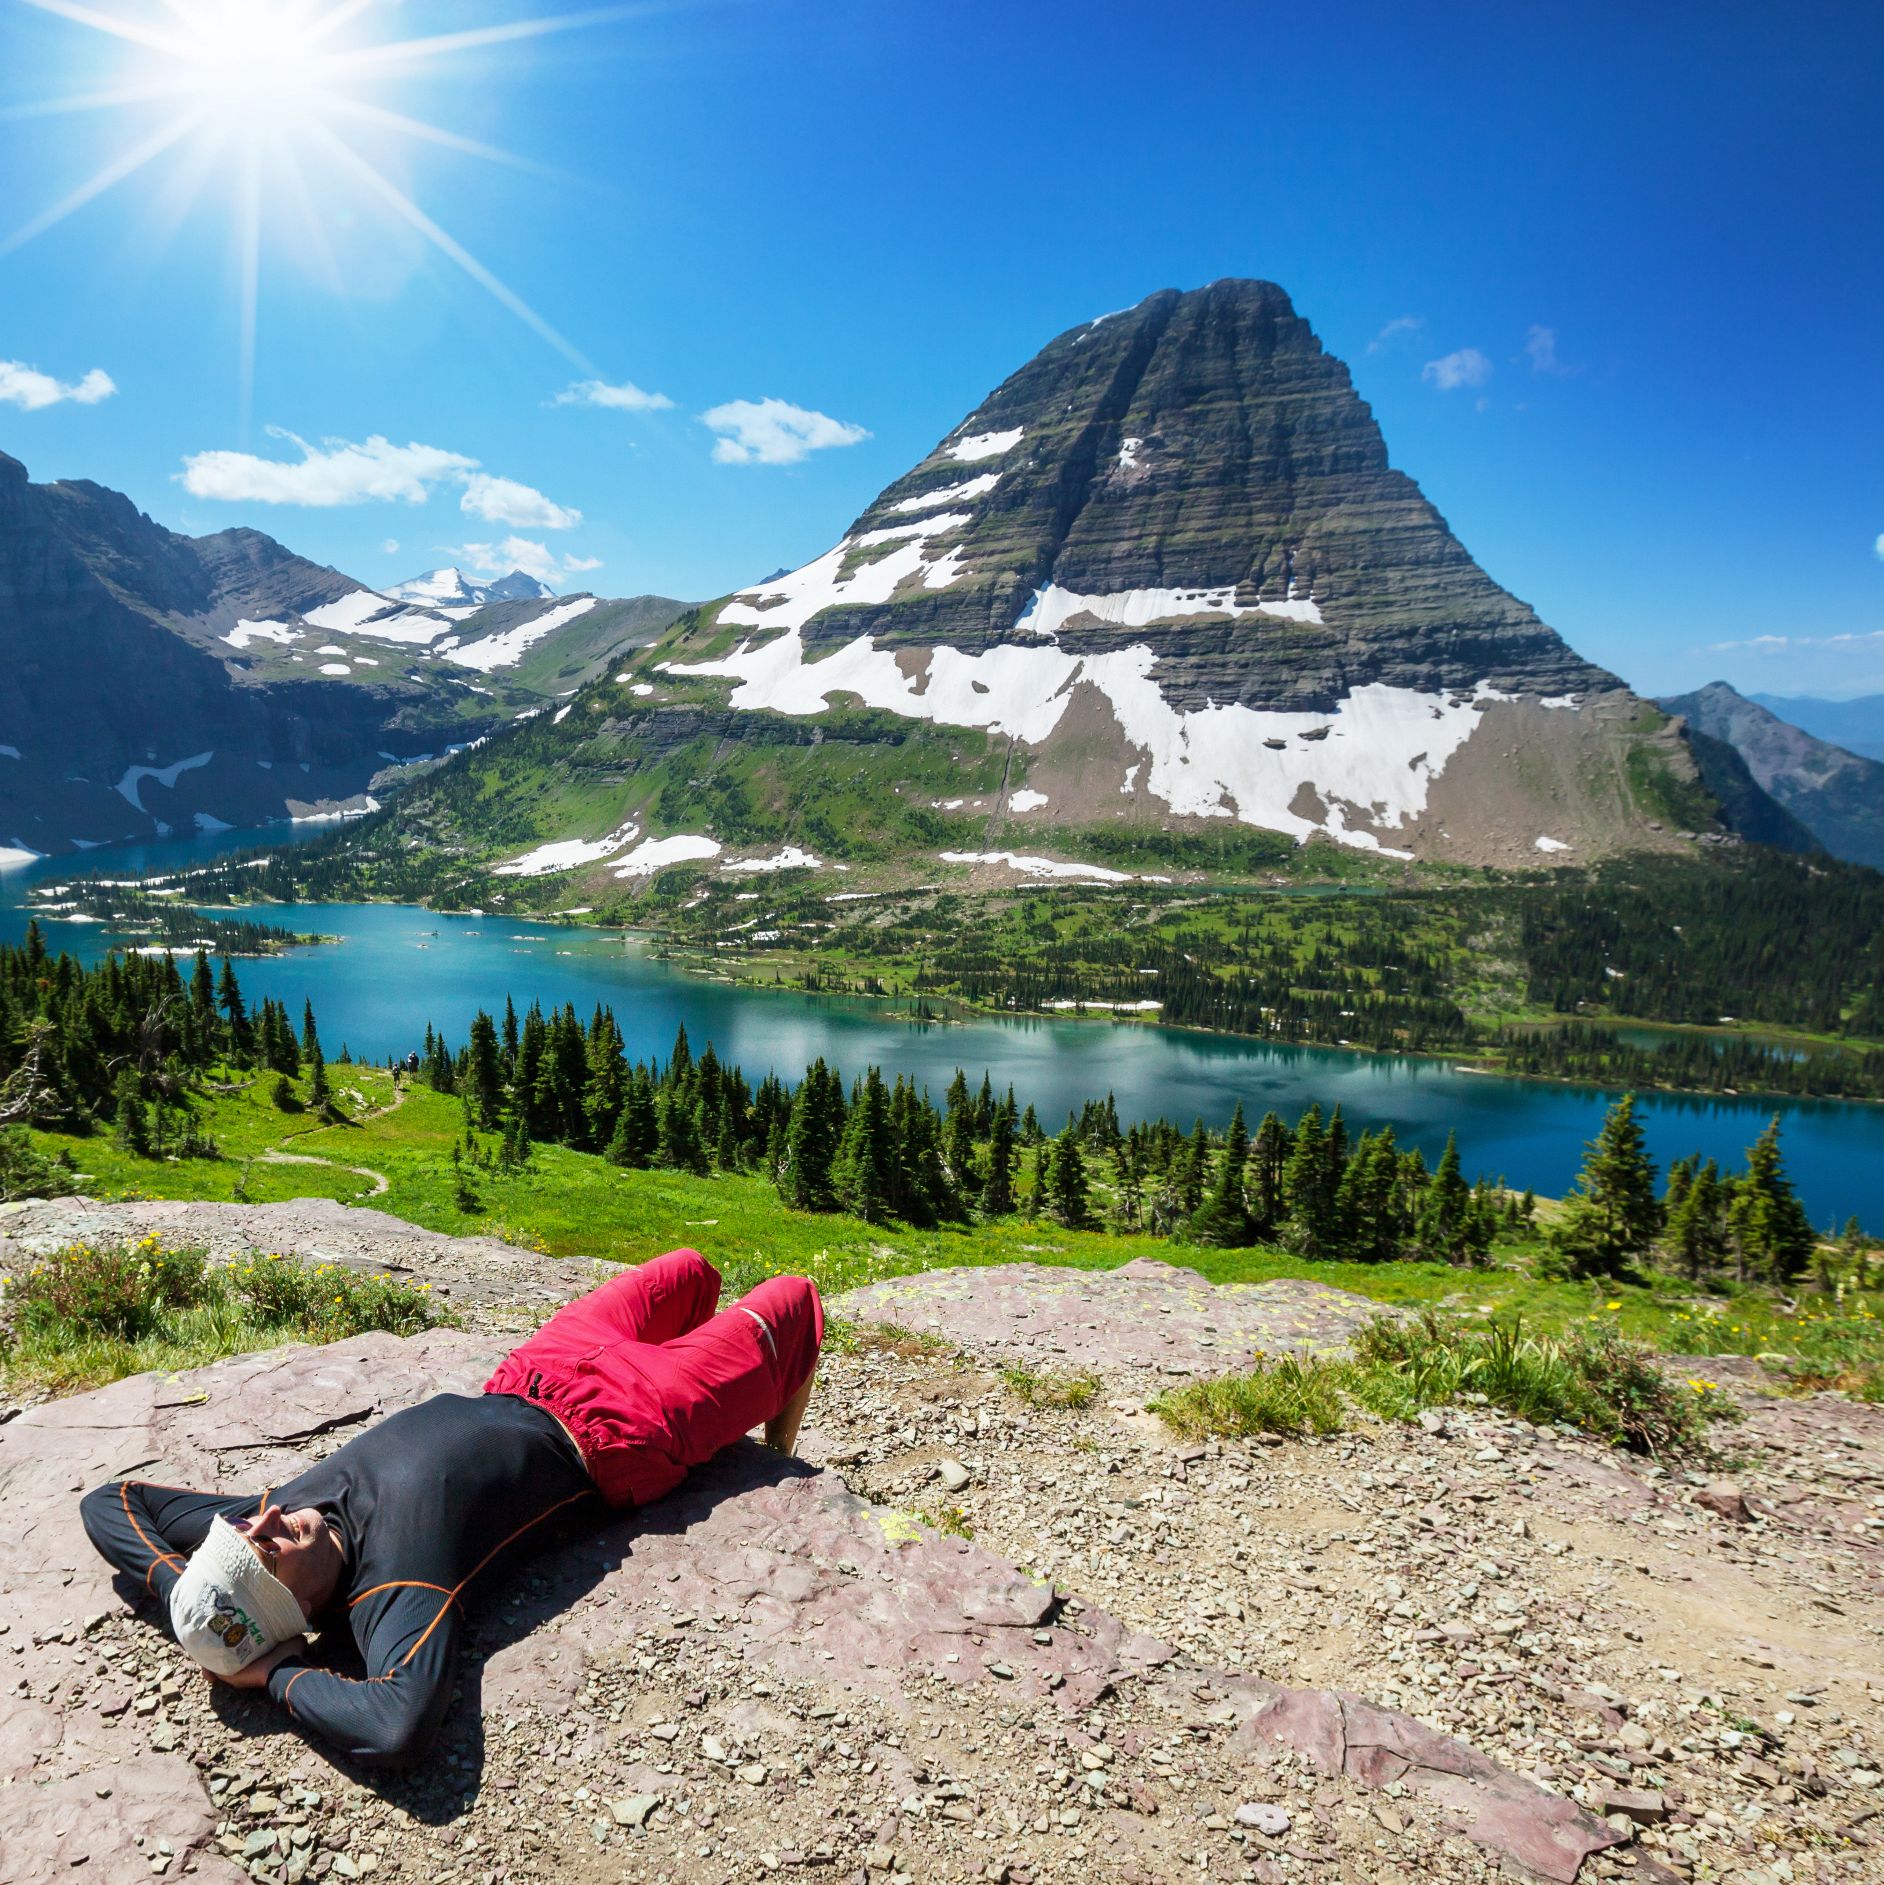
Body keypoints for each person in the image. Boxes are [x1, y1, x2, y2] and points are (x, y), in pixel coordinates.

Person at [80, 1249, 821, 1770]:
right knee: (792, 1300)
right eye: (265, 1555)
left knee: (689, 1270)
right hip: (624, 1427)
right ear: (296, 1608)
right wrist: (270, 1672)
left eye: (245, 1533)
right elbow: (397, 1725)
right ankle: (778, 1449)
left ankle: (751, 1397)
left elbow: (112, 1501)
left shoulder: (269, 1516)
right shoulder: (394, 1592)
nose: (266, 1523)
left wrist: (190, 1594)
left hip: (536, 1368)